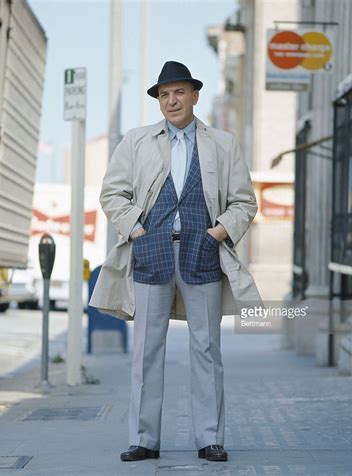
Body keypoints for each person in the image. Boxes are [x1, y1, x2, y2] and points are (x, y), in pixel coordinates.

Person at [89, 61, 263, 462]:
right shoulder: (136, 142)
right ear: (159, 100)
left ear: (194, 96)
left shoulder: (222, 142)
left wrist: (217, 232)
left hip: (202, 253)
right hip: (150, 252)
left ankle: (209, 438)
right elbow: (112, 194)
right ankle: (144, 440)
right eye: (164, 94)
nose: (172, 100)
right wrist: (136, 231)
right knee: (147, 352)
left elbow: (244, 202)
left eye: (179, 92)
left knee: (206, 349)